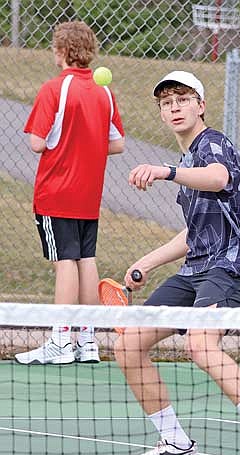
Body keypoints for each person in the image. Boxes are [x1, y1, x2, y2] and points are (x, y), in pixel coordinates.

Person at [114, 71, 240, 455]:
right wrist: (147, 261)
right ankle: (175, 444)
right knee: (128, 345)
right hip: (196, 268)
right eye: (166, 103)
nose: (175, 107)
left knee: (199, 343)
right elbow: (193, 232)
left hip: (231, 264)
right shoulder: (187, 160)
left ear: (201, 104)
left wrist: (165, 171)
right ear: (161, 114)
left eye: (182, 99)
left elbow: (219, 179)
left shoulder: (213, 144)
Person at [15, 21, 125, 365]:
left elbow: (36, 142)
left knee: (65, 260)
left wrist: (67, 144)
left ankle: (61, 341)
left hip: (56, 191)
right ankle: (87, 340)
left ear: (61, 51)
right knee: (85, 259)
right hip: (88, 195)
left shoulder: (54, 88)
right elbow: (117, 144)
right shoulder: (104, 91)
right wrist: (85, 144)